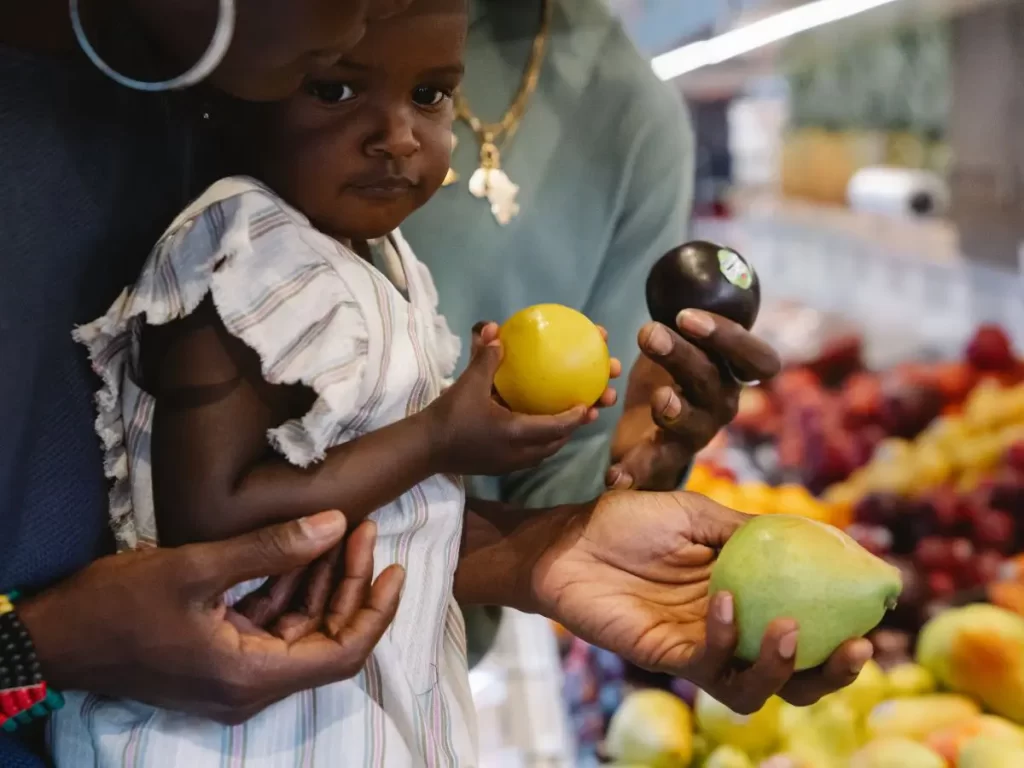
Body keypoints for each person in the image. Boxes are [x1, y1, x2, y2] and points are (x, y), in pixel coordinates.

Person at [0, 1, 870, 765]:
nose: (399, 135)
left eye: (431, 96)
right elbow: (212, 518)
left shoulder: (386, 265)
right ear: (229, 105)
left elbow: (364, 514)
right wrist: (438, 439)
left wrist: (557, 530)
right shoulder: (236, 253)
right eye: (335, 86)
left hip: (348, 711)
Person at [398, 0, 743, 759]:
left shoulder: (635, 122)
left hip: (406, 659)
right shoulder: (300, 29)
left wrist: (645, 454)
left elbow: (551, 492)